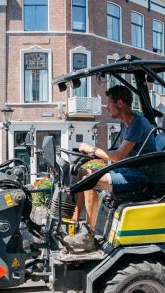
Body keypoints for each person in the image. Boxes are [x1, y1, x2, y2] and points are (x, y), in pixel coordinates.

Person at [65, 85, 156, 251]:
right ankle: (74, 222)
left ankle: (88, 235)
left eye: (109, 103)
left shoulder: (137, 123)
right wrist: (93, 155)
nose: (106, 107)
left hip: (140, 175)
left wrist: (92, 149)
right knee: (84, 172)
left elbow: (118, 156)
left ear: (120, 103)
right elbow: (117, 153)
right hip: (128, 170)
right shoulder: (125, 124)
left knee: (90, 180)